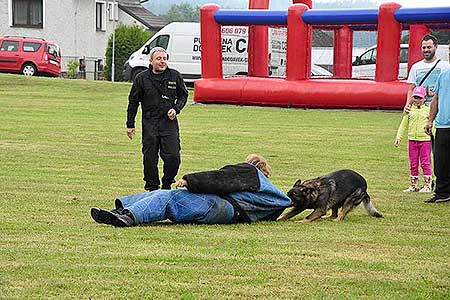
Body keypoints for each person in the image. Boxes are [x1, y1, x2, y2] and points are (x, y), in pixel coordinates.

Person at [90, 154, 292, 227]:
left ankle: (128, 215)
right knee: (164, 195)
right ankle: (122, 210)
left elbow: (222, 179)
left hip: (221, 206)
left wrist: (190, 180)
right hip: (229, 214)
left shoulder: (250, 172)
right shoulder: (273, 195)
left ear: (252, 164)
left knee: (168, 196)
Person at [126, 47, 188, 191]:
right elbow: (133, 102)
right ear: (151, 61)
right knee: (150, 157)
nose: (162, 61)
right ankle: (152, 187)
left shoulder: (174, 76)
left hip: (169, 123)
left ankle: (167, 182)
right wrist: (130, 124)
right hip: (150, 122)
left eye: (164, 59)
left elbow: (183, 95)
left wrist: (176, 108)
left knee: (173, 156)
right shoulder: (141, 78)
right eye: (159, 59)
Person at [395, 86, 432, 193]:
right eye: (415, 97)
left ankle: (427, 185)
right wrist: (399, 137)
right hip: (412, 140)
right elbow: (403, 124)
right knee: (413, 163)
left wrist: (434, 135)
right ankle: (413, 185)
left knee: (425, 163)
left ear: (425, 98)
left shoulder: (429, 111)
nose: (417, 100)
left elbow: (432, 125)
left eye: (420, 98)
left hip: (425, 140)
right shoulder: (409, 110)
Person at [424, 67, 450, 203]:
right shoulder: (443, 75)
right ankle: (442, 193)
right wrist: (430, 120)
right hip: (442, 125)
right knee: (440, 162)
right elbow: (436, 98)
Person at [404, 34, 450, 112]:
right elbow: (411, 89)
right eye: (423, 47)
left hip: (439, 109)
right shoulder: (415, 67)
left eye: (429, 47)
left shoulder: (445, 66)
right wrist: (408, 104)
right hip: (420, 109)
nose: (426, 50)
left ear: (435, 47)